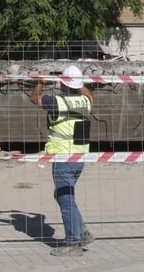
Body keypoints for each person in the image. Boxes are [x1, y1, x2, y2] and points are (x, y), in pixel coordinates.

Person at [28, 64, 95, 256]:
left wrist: (41, 81)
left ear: (64, 84)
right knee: (63, 196)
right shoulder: (85, 101)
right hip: (79, 158)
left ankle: (73, 243)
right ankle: (81, 232)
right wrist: (75, 82)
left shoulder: (57, 101)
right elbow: (91, 95)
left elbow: (34, 99)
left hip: (64, 157)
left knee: (66, 200)